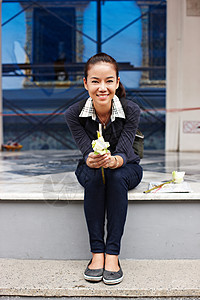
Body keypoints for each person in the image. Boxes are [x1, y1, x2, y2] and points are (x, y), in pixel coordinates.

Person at [65, 53, 143, 285]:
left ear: (117, 83)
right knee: (96, 177)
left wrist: (116, 160)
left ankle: (112, 255)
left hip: (126, 167)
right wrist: (90, 158)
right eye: (95, 81)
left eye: (109, 81)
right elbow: (84, 150)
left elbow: (124, 151)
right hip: (91, 168)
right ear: (85, 83)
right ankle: (96, 253)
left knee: (116, 177)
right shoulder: (73, 114)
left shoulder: (131, 110)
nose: (102, 87)